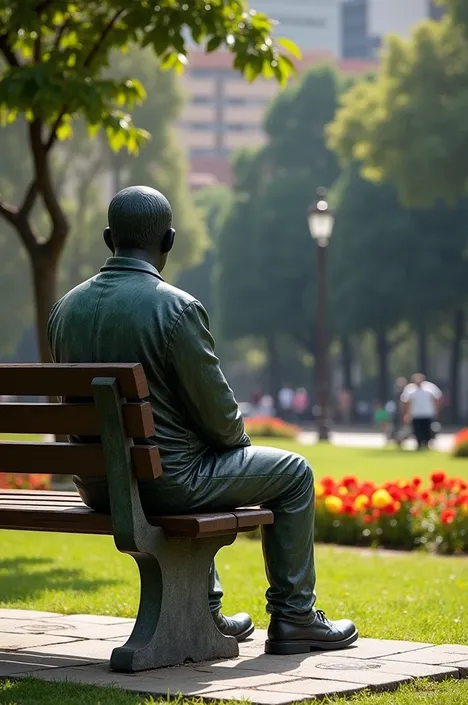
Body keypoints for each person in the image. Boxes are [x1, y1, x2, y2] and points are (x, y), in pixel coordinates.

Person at [47, 186, 357, 655]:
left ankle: (206, 607)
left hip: (99, 486)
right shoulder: (176, 309)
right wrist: (223, 438)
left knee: (184, 452)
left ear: (109, 238)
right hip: (166, 483)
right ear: (168, 241)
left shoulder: (64, 310)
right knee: (295, 473)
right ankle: (294, 617)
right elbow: (223, 424)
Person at [400, 373, 443, 450]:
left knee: (427, 430)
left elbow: (438, 398)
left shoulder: (430, 387)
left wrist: (437, 409)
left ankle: (426, 444)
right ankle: (419, 444)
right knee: (417, 431)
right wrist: (406, 414)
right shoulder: (410, 389)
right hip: (415, 414)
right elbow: (405, 402)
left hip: (428, 413)